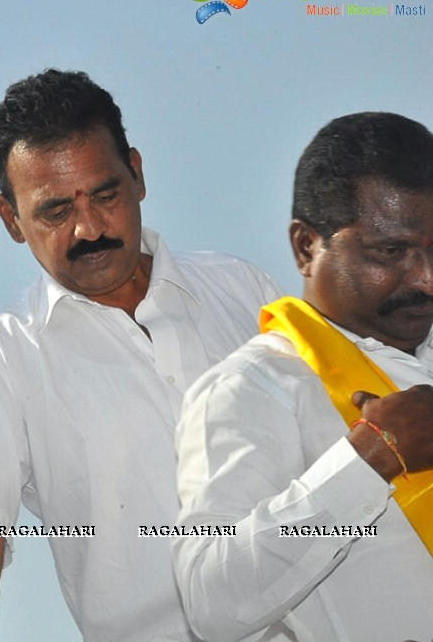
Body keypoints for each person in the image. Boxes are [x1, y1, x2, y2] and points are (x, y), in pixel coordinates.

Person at [0, 69, 281, 640]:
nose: (89, 227)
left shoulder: (244, 291)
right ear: (10, 220)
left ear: (137, 174)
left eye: (105, 195)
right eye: (55, 211)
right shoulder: (3, 355)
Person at [173, 112, 433, 640]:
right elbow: (212, 600)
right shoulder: (253, 388)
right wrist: (372, 457)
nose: (426, 277)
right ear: (305, 246)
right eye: (391, 251)